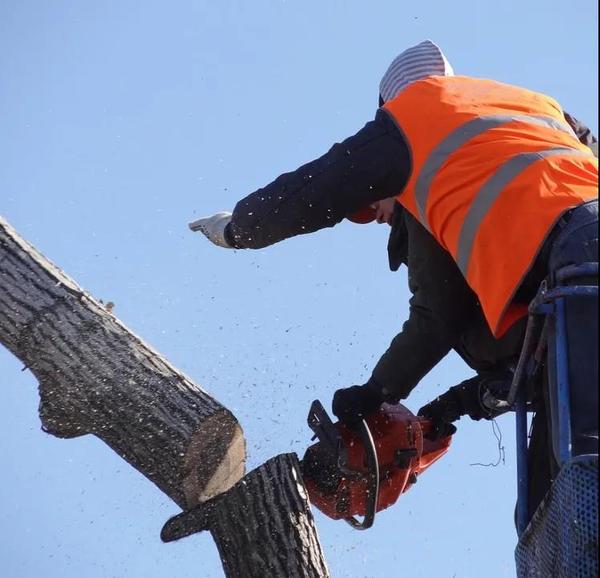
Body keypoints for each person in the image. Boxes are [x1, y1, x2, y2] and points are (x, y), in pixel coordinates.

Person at [190, 40, 598, 517]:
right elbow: (523, 359)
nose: (379, 217)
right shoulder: (533, 108)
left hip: (574, 263)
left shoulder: (410, 125)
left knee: (571, 489)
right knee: (553, 492)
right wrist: (451, 407)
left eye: (370, 205)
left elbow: (314, 192)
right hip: (568, 287)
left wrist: (239, 228)